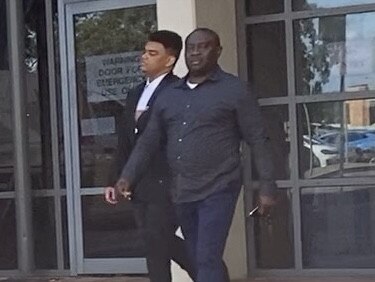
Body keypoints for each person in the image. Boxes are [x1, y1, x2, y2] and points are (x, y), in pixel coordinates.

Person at [115, 28, 277, 282]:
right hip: (182, 189)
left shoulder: (235, 90)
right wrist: (127, 177)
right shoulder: (170, 95)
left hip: (219, 187)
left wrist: (267, 186)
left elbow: (258, 139)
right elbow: (148, 141)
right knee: (194, 253)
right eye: (191, 48)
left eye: (203, 47)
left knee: (206, 256)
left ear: (218, 51)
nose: (196, 53)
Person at [104, 30, 194, 282]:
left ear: (170, 60)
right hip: (138, 183)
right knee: (153, 241)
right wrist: (115, 179)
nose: (144, 57)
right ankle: (209, 269)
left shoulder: (179, 92)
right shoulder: (134, 93)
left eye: (152, 53)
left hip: (167, 182)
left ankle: (209, 271)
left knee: (157, 239)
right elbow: (125, 141)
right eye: (144, 52)